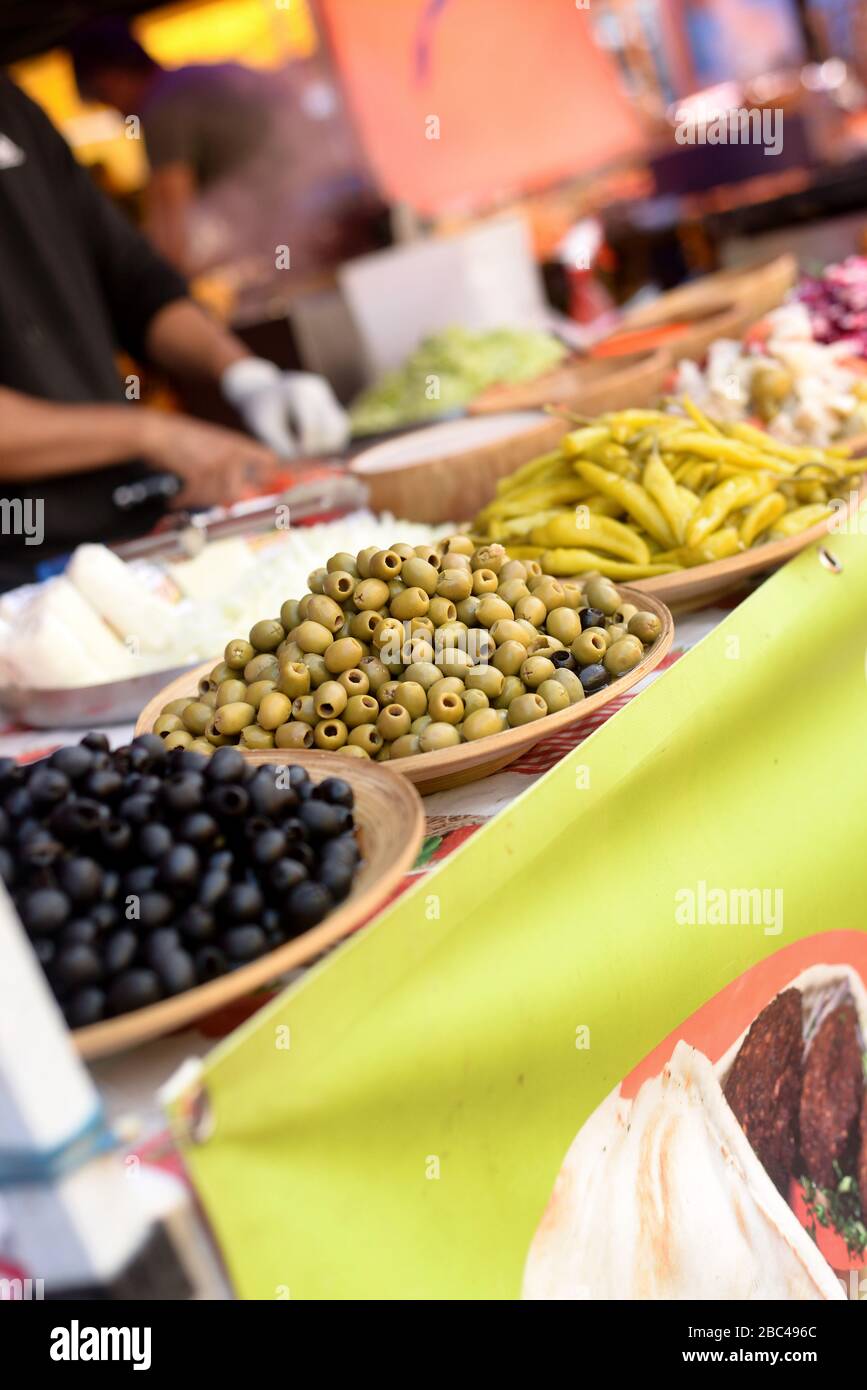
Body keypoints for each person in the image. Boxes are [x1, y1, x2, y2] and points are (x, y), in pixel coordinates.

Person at [0, 74, 348, 591]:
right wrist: (154, 434)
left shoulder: (12, 106)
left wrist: (244, 374)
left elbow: (138, 283)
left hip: (135, 538)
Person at [68, 20, 375, 310]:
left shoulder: (163, 109)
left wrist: (160, 301)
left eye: (103, 98)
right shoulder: (192, 79)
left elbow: (172, 225)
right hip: (339, 213)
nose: (114, 113)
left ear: (111, 79)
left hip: (312, 232)